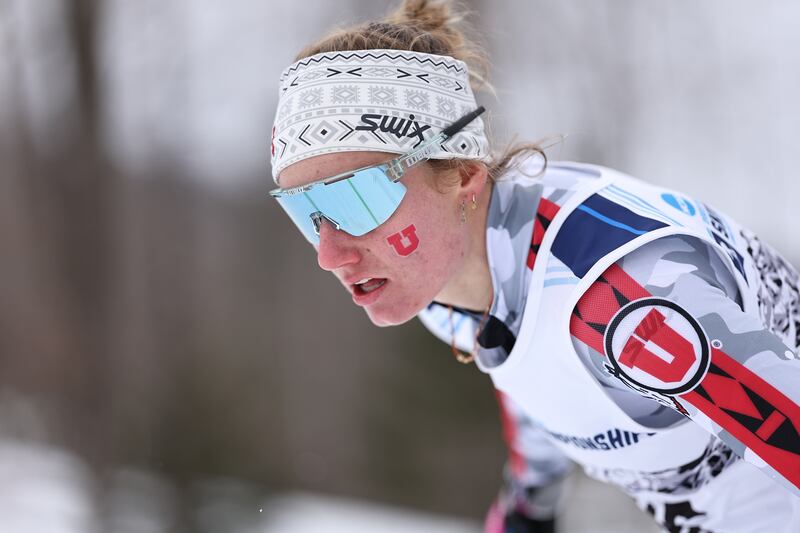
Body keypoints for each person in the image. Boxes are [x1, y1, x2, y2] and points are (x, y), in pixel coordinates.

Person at [268, 1, 800, 531]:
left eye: (354, 201)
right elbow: (536, 372)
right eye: (304, 212)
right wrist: (528, 508)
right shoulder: (447, 291)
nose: (328, 254)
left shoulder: (623, 299)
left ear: (461, 172)